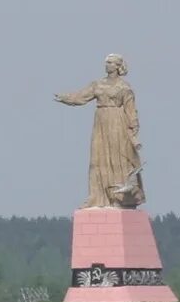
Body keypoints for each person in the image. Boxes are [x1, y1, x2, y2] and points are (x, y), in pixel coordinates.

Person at [54, 54, 145, 208]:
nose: (107, 65)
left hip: (117, 123)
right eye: (106, 62)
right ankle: (96, 196)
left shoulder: (124, 88)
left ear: (118, 66)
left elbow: (131, 111)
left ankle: (119, 196)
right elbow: (81, 96)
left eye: (110, 63)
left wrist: (133, 131)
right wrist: (66, 98)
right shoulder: (98, 84)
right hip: (100, 122)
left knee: (117, 159)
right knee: (98, 159)